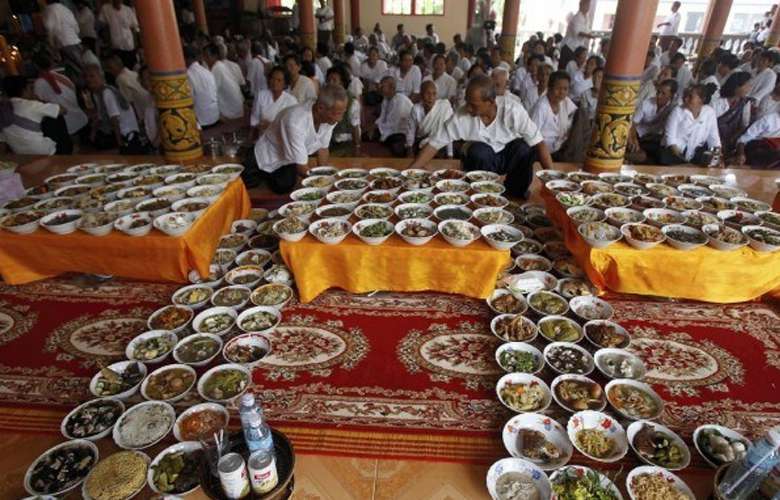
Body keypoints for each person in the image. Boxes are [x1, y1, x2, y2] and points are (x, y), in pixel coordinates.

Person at [408, 75, 554, 198]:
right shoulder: (461, 116)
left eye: (473, 105)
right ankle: (481, 194)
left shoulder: (513, 111)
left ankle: (515, 191)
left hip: (507, 157)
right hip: (482, 161)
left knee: (524, 148)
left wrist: (552, 184)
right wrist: (408, 173)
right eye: (467, 101)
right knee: (478, 151)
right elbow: (433, 145)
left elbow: (539, 144)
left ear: (490, 102)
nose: (468, 107)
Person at [243, 84, 348, 193]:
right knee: (247, 184)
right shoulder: (295, 121)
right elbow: (302, 167)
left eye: (342, 113)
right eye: (337, 114)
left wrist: (324, 175)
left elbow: (323, 149)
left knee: (284, 186)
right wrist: (321, 185)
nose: (340, 119)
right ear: (321, 108)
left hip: (288, 157)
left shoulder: (329, 119)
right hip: (266, 155)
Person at [0, 75, 70, 155]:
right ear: (24, 90)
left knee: (43, 117)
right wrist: (39, 100)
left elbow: (2, 139)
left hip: (20, 153)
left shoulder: (3, 108)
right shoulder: (32, 105)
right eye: (31, 88)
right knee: (56, 118)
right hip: (44, 151)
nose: (33, 91)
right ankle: (66, 152)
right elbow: (64, 110)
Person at [83, 64, 144, 153]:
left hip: (126, 132)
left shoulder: (107, 93)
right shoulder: (96, 94)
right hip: (116, 130)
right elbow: (100, 116)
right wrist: (92, 134)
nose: (88, 79)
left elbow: (114, 119)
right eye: (86, 77)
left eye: (92, 76)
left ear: (101, 76)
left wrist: (120, 144)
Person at [660, 84, 721, 165]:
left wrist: (716, 158)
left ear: (702, 99)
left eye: (690, 96)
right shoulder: (677, 111)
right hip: (673, 153)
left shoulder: (709, 113)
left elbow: (714, 140)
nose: (685, 99)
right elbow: (670, 141)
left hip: (693, 154)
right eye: (685, 95)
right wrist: (685, 163)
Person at [32, 52, 88, 141]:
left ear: (35, 66)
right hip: (81, 118)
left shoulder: (39, 84)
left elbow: (39, 105)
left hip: (68, 126)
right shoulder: (62, 77)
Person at [628, 79, 678, 163]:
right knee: (641, 156)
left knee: (662, 157)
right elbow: (633, 124)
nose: (658, 96)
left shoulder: (673, 108)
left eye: (663, 93)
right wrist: (634, 139)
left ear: (671, 96)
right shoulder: (647, 103)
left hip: (654, 139)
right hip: (638, 135)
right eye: (658, 92)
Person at [530, 71, 577, 159]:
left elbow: (576, 116)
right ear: (549, 88)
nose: (562, 92)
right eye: (558, 88)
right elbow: (533, 136)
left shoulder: (566, 102)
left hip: (560, 147)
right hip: (541, 152)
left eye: (565, 89)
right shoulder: (541, 107)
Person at [561, 66, 603, 162]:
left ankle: (572, 154)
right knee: (580, 113)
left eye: (600, 77)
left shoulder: (606, 96)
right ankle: (573, 154)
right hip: (586, 123)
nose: (597, 80)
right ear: (592, 78)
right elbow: (584, 113)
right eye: (595, 77)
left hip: (598, 125)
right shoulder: (585, 93)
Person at [405, 80, 453, 157]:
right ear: (421, 95)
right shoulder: (416, 109)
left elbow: (448, 132)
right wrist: (409, 148)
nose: (431, 97)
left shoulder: (443, 107)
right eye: (428, 93)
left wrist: (450, 154)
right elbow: (411, 130)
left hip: (439, 142)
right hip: (421, 141)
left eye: (434, 94)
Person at [711, 72, 752, 156]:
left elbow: (744, 125)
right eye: (746, 85)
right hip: (714, 141)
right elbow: (710, 126)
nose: (749, 88)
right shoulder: (717, 103)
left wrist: (732, 139)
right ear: (736, 87)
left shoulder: (745, 103)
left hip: (732, 142)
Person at [249, 66, 297, 139]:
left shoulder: (291, 101)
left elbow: (292, 126)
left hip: (281, 140)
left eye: (279, 80)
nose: (274, 82)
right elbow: (254, 118)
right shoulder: (261, 95)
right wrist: (258, 125)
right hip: (263, 138)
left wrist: (271, 125)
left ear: (285, 83)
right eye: (272, 78)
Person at [104, 54, 152, 124]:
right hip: (148, 104)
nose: (109, 71)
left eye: (109, 68)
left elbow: (130, 102)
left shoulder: (120, 79)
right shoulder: (132, 73)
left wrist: (137, 120)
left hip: (144, 111)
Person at [202, 44, 244, 120]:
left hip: (231, 111)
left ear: (215, 56)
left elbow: (211, 93)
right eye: (204, 57)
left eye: (207, 56)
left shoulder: (217, 68)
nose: (205, 59)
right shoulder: (220, 65)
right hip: (237, 108)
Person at [374, 76, 413, 157]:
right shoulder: (386, 99)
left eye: (383, 86)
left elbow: (393, 123)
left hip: (402, 131)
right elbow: (382, 117)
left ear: (392, 87)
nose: (380, 88)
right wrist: (375, 125)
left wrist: (378, 128)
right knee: (366, 135)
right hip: (390, 129)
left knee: (396, 148)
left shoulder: (400, 100)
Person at [43, 0, 83, 74]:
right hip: (75, 41)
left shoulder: (49, 9)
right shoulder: (65, 9)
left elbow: (49, 27)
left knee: (73, 70)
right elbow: (76, 27)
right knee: (81, 67)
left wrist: (52, 44)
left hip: (63, 44)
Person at [326, 64, 361, 149]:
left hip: (343, 143)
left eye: (334, 80)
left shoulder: (352, 102)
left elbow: (355, 126)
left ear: (343, 82)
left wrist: (357, 146)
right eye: (329, 80)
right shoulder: (324, 97)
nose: (330, 83)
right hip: (326, 141)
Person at [184, 45, 219, 128]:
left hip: (203, 121)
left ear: (185, 58)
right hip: (215, 115)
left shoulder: (188, 75)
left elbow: (189, 100)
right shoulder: (207, 71)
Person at [98, 0, 140, 69]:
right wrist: (108, 43)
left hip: (129, 46)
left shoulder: (128, 10)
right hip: (115, 46)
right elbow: (105, 27)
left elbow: (134, 29)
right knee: (119, 67)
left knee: (131, 67)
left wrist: (135, 46)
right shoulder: (106, 9)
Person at [560, 0, 593, 71]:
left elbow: (587, 30)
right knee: (563, 69)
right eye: (586, 5)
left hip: (577, 49)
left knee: (574, 69)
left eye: (589, 5)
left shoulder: (587, 17)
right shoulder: (576, 17)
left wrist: (591, 34)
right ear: (581, 5)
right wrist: (589, 36)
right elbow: (578, 33)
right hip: (569, 47)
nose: (588, 7)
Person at [137, 66, 159, 149]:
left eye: (149, 79)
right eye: (144, 79)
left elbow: (163, 121)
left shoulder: (161, 97)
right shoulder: (149, 97)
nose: (146, 82)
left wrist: (156, 143)